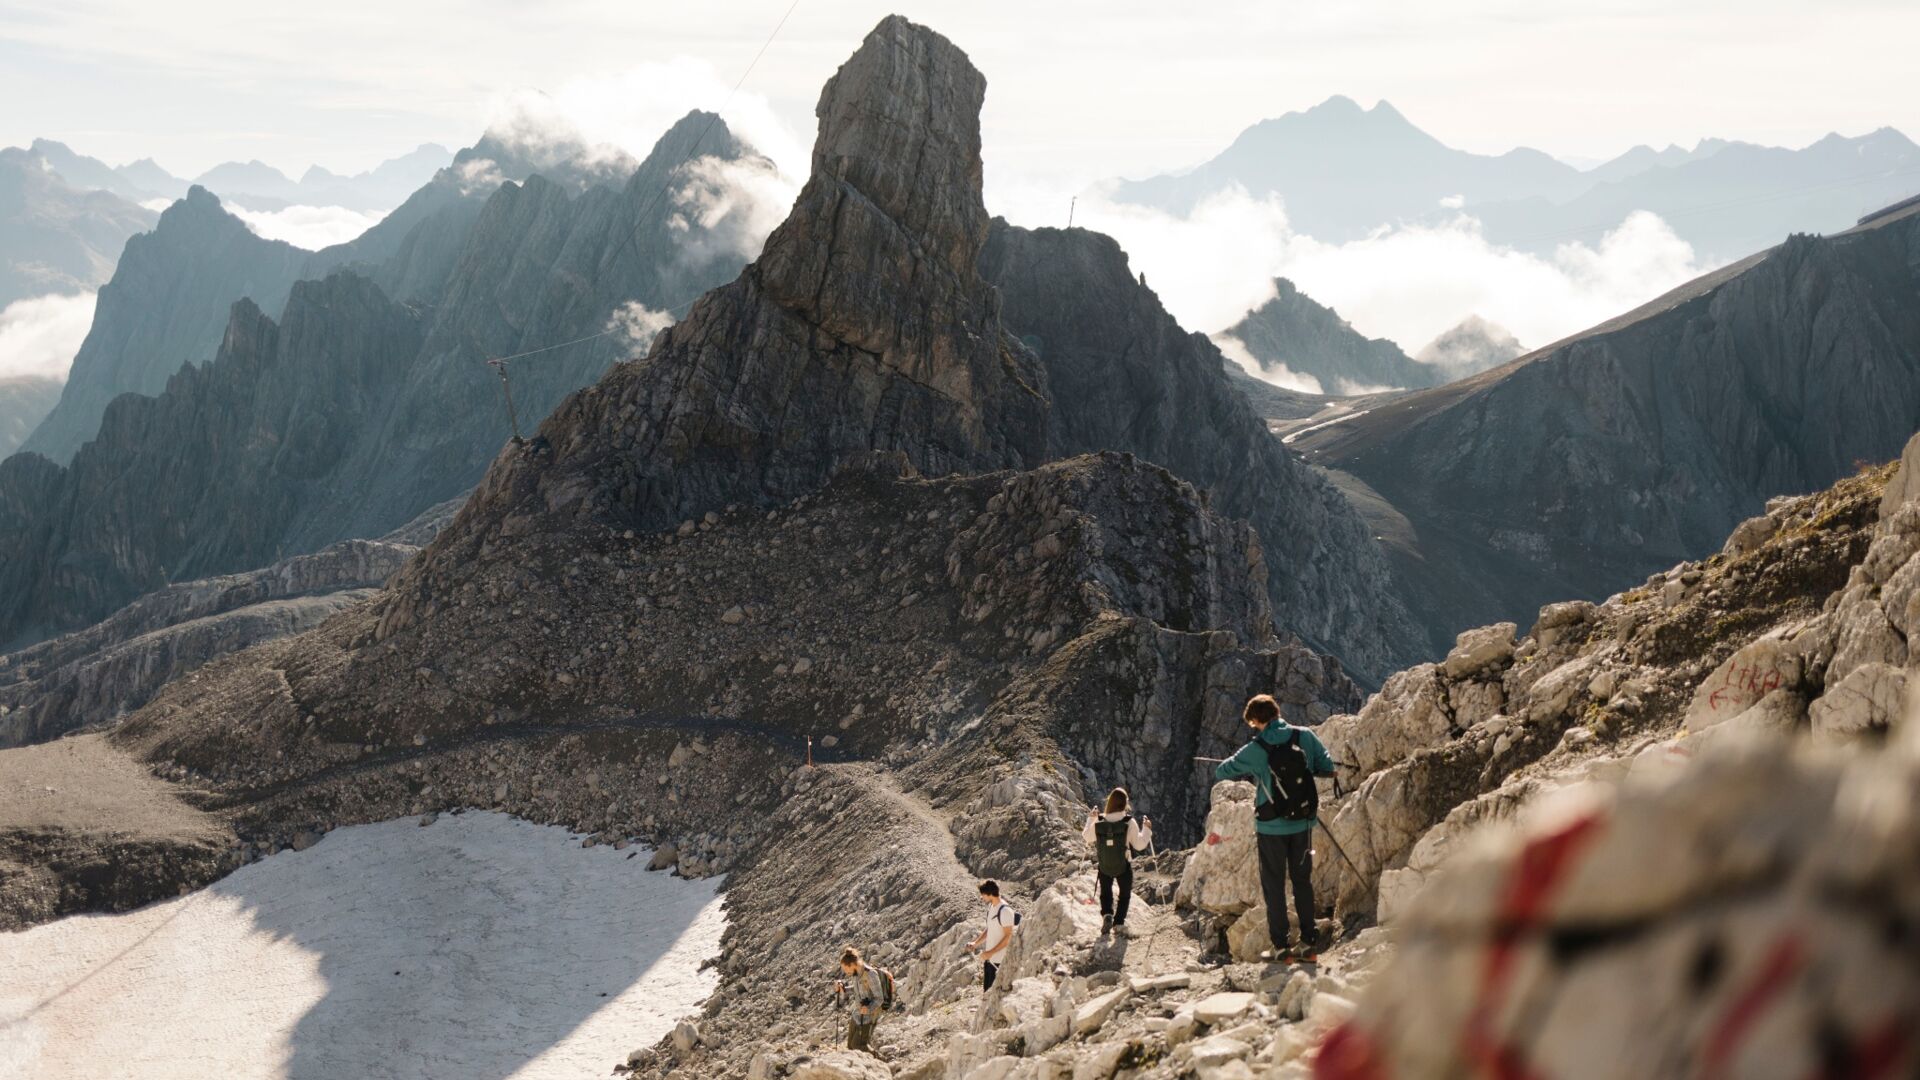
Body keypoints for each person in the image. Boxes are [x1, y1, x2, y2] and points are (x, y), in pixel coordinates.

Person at [1212, 693, 1335, 961]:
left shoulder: (1257, 749)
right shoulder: (1305, 736)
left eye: (1253, 724)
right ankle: (1309, 944)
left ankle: (1281, 948)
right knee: (1302, 881)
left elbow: (1222, 771)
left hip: (1270, 828)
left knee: (1274, 885)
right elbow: (1326, 765)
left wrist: (1256, 769)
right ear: (1277, 712)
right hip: (1302, 823)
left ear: (1256, 720)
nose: (1253, 728)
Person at [1082, 787, 1153, 936]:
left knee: (1106, 892)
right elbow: (1139, 845)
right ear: (1125, 803)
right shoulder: (1129, 821)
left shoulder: (1100, 820)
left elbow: (1087, 837)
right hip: (1123, 864)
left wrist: (1091, 818)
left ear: (1110, 801)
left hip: (1104, 864)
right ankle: (1119, 922)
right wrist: (1146, 829)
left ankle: (1107, 914)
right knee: (1124, 894)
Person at [965, 879, 1017, 1029]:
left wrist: (990, 952)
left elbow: (1009, 936)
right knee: (987, 993)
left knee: (996, 995)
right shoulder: (993, 908)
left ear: (989, 894)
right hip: (990, 959)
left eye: (983, 895)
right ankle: (987, 1025)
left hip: (1000, 961)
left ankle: (997, 1026)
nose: (981, 898)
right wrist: (976, 943)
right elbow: (989, 930)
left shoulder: (1005, 911)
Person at [835, 946, 886, 1054]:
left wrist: (868, 1009)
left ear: (852, 965)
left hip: (868, 1017)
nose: (845, 972)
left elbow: (879, 998)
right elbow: (857, 990)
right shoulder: (856, 974)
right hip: (857, 1014)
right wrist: (843, 989)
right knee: (850, 1047)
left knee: (859, 1046)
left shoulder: (871, 974)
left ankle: (880, 1061)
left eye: (845, 969)